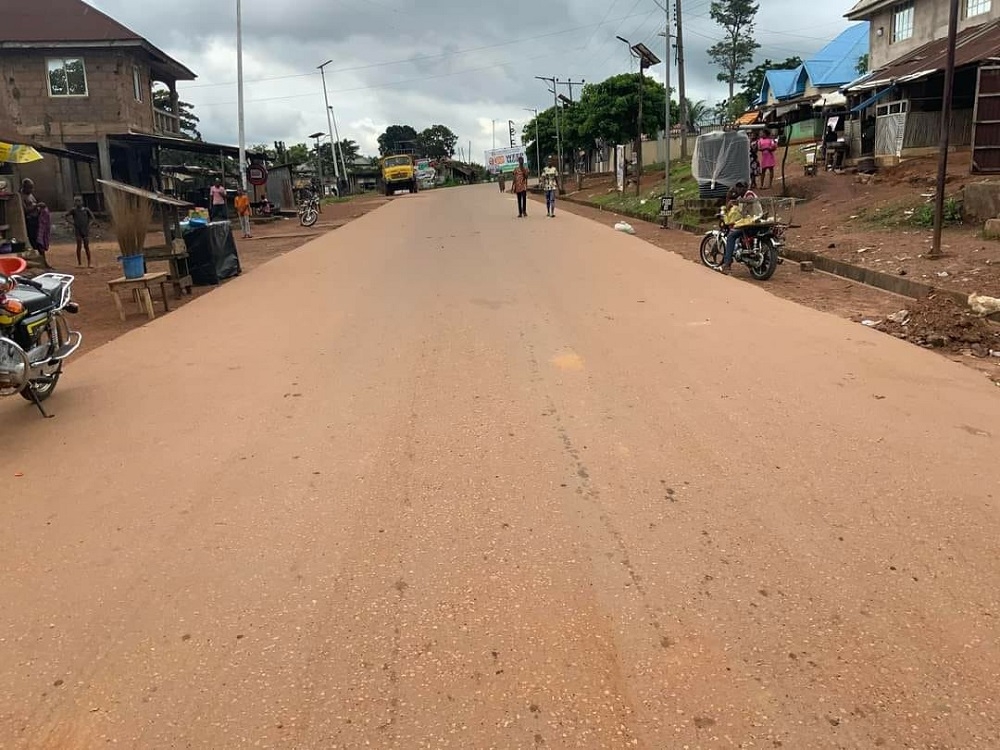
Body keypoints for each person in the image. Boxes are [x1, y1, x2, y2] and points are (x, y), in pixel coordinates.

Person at [720, 182, 755, 274]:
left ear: (746, 188)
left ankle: (727, 264)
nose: (739, 189)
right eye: (738, 187)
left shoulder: (749, 195)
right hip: (750, 221)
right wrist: (729, 196)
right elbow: (728, 207)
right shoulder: (740, 198)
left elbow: (748, 205)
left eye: (742, 187)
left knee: (731, 236)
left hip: (751, 223)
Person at [65, 195, 96, 267]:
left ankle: (89, 263)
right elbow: (66, 216)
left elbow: (93, 218)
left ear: (82, 202)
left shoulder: (86, 210)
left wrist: (89, 225)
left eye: (79, 201)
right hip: (78, 230)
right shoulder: (73, 210)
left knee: (86, 246)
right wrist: (72, 223)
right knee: (79, 246)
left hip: (85, 230)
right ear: (74, 202)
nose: (77, 202)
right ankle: (79, 263)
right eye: (76, 201)